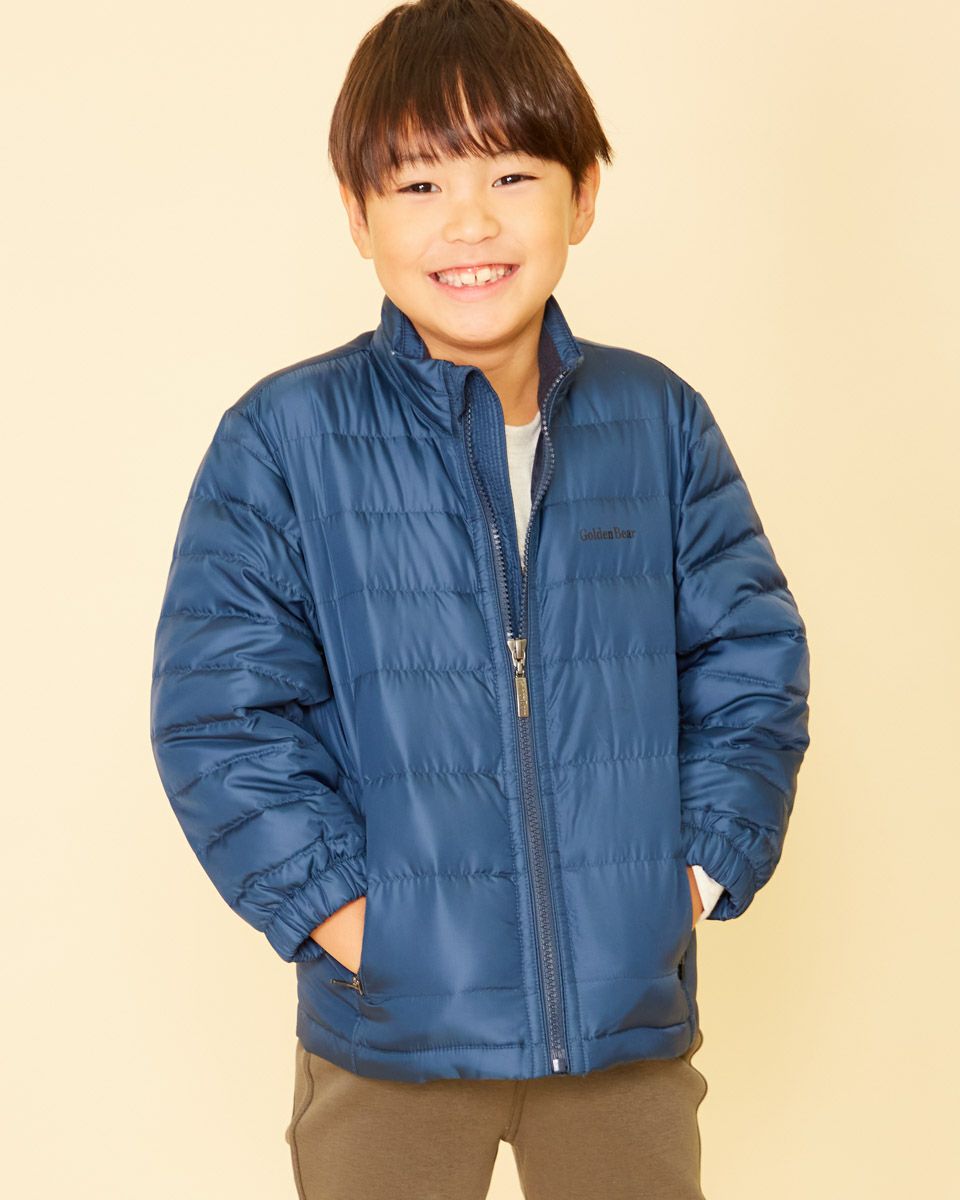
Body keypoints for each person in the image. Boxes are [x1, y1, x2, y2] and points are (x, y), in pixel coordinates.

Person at [149, 1, 811, 1196]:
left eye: (511, 174)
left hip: (621, 1032)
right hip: (388, 1039)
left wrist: (687, 883)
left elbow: (751, 665)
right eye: (417, 184)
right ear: (356, 214)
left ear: (583, 194)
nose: (469, 222)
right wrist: (357, 925)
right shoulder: (284, 439)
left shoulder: (657, 421)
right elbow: (222, 715)